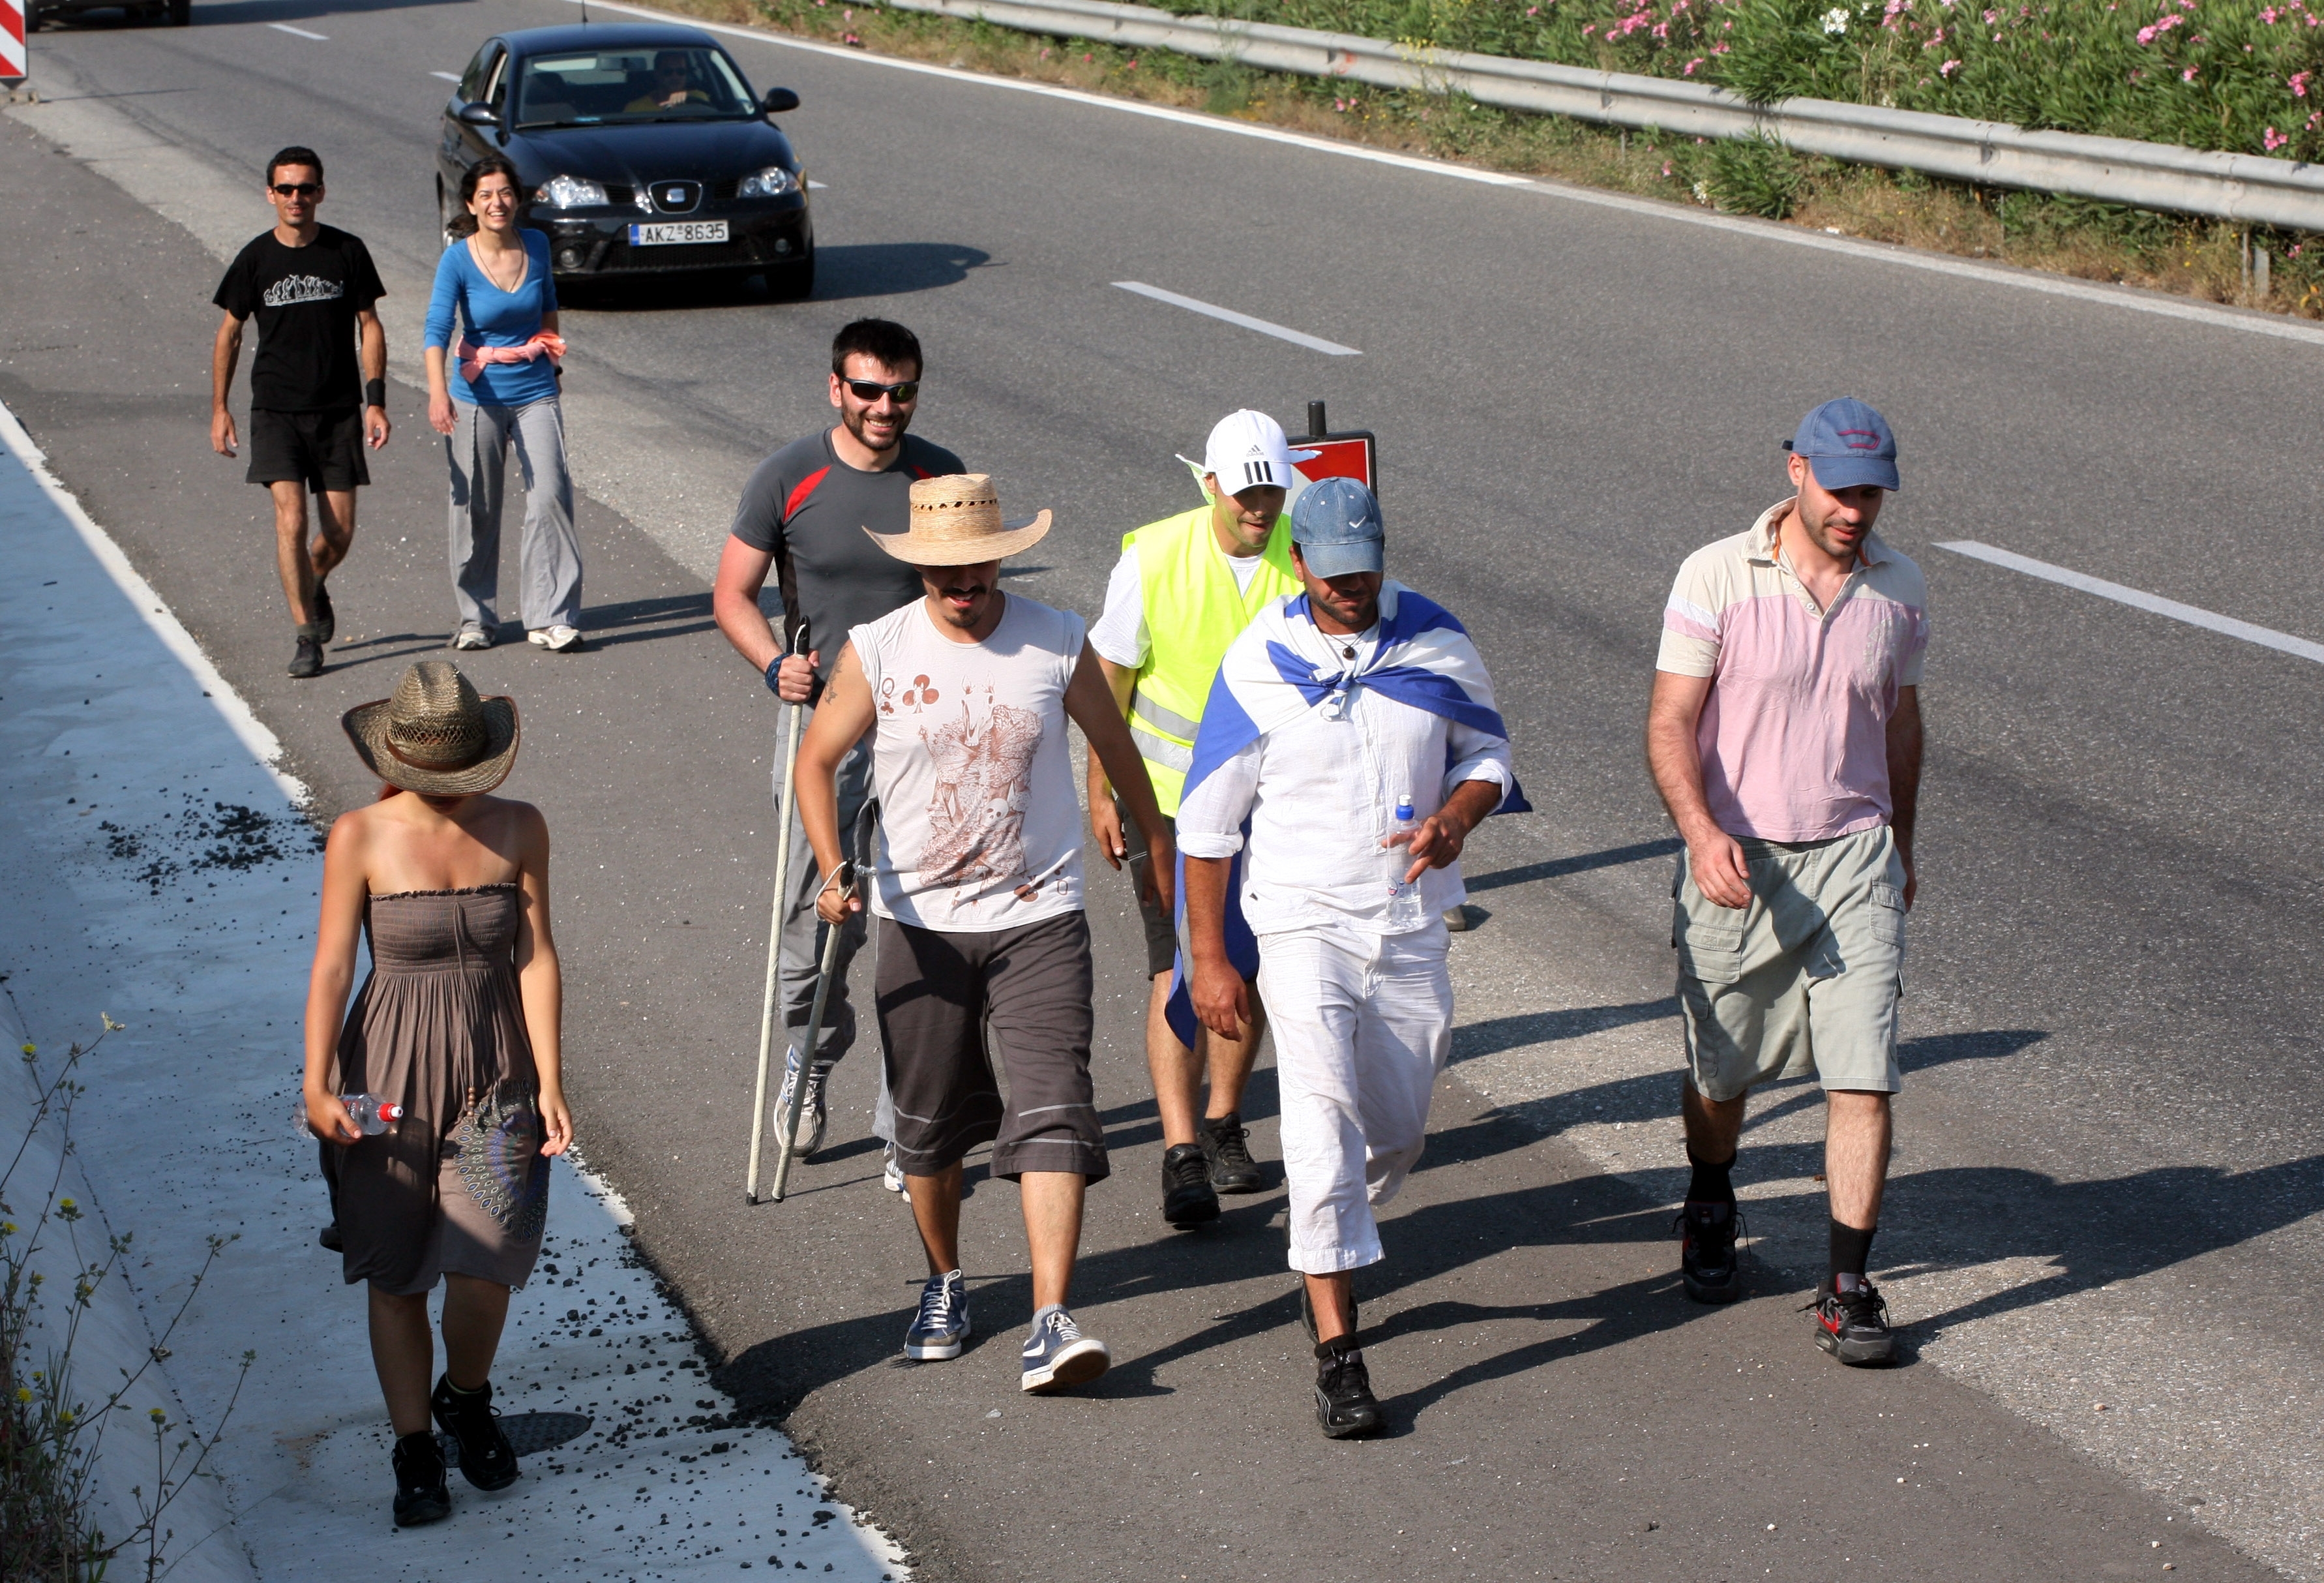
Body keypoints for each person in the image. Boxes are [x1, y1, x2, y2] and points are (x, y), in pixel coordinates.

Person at [795, 475, 1173, 1392]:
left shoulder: (1055, 635)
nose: (962, 581)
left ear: (1001, 554)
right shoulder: (878, 650)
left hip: (1040, 915)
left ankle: (1050, 1315)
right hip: (918, 924)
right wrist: (833, 867)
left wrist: (1161, 866)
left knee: (1053, 1105)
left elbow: (1121, 756)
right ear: (919, 567)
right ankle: (946, 1279)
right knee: (930, 1125)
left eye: (977, 563)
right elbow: (816, 759)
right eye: (943, 569)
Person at [1182, 477, 1519, 1439]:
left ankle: (1319, 1233)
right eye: (1332, 576)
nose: (1350, 589)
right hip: (1299, 920)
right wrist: (1211, 958)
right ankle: (1339, 1347)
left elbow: (1486, 753)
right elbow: (1207, 828)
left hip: (1406, 919)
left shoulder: (1437, 638)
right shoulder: (1259, 664)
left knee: (1401, 1128)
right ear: (1299, 565)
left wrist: (1459, 813)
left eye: (1363, 572)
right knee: (1320, 1119)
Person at [1644, 397, 1928, 1366]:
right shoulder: (1716, 573)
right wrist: (1699, 831)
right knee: (1722, 1073)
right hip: (1741, 860)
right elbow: (1671, 719)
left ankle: (1847, 1281)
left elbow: (1899, 723)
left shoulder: (1899, 587)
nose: (1858, 510)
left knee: (1863, 1070)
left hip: (1854, 856)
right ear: (1796, 471)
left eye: (1874, 494)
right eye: (1844, 490)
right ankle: (1713, 1191)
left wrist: (1903, 841)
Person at [303, 660, 573, 1526]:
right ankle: (415, 1444)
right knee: (396, 1269)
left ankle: (465, 1393)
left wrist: (552, 1077)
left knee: (488, 1259)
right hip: (385, 1075)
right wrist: (315, 1081)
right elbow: (335, 964)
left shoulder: (522, 826)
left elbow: (534, 954)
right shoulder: (360, 834)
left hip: (497, 1072)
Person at [713, 319, 964, 1188]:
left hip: (925, 735)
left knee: (922, 922)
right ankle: (809, 1059)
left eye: (900, 392)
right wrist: (772, 662)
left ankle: (907, 1112)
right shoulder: (789, 476)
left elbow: (974, 595)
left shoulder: (940, 478)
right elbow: (733, 593)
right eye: (867, 390)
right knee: (822, 915)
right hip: (827, 731)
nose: (884, 407)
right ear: (836, 388)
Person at [1088, 410, 1311, 1229]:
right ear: (1209, 483)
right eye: (1247, 489)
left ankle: (1224, 1125)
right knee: (1178, 969)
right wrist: (1101, 788)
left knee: (1243, 965)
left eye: (1274, 488)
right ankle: (1181, 1151)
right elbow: (1110, 678)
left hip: (1274, 805)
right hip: (1170, 808)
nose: (1261, 504)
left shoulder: (1302, 551)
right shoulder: (1154, 555)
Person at [210, 145, 389, 680]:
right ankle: (306, 635)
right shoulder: (255, 259)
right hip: (276, 410)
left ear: (321, 193)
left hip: (337, 410)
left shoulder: (347, 251)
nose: (296, 198)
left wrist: (376, 399)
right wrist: (220, 407)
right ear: (271, 194)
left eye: (306, 188)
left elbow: (371, 325)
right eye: (286, 189)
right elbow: (231, 332)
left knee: (340, 533)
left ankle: (313, 581)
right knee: (291, 519)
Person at [424, 154, 584, 655]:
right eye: (487, 194)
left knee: (551, 494)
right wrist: (438, 393)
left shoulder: (536, 244)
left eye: (506, 192)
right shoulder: (457, 258)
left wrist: (552, 361)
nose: (498, 202)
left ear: (518, 197)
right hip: (477, 395)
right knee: (476, 505)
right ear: (471, 203)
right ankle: (476, 617)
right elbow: (436, 330)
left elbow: (549, 304)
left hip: (534, 388)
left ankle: (550, 616)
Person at [626, 50, 709, 112]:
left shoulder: (699, 98)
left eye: (681, 72)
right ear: (657, 75)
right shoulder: (635, 109)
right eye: (668, 72)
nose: (675, 77)